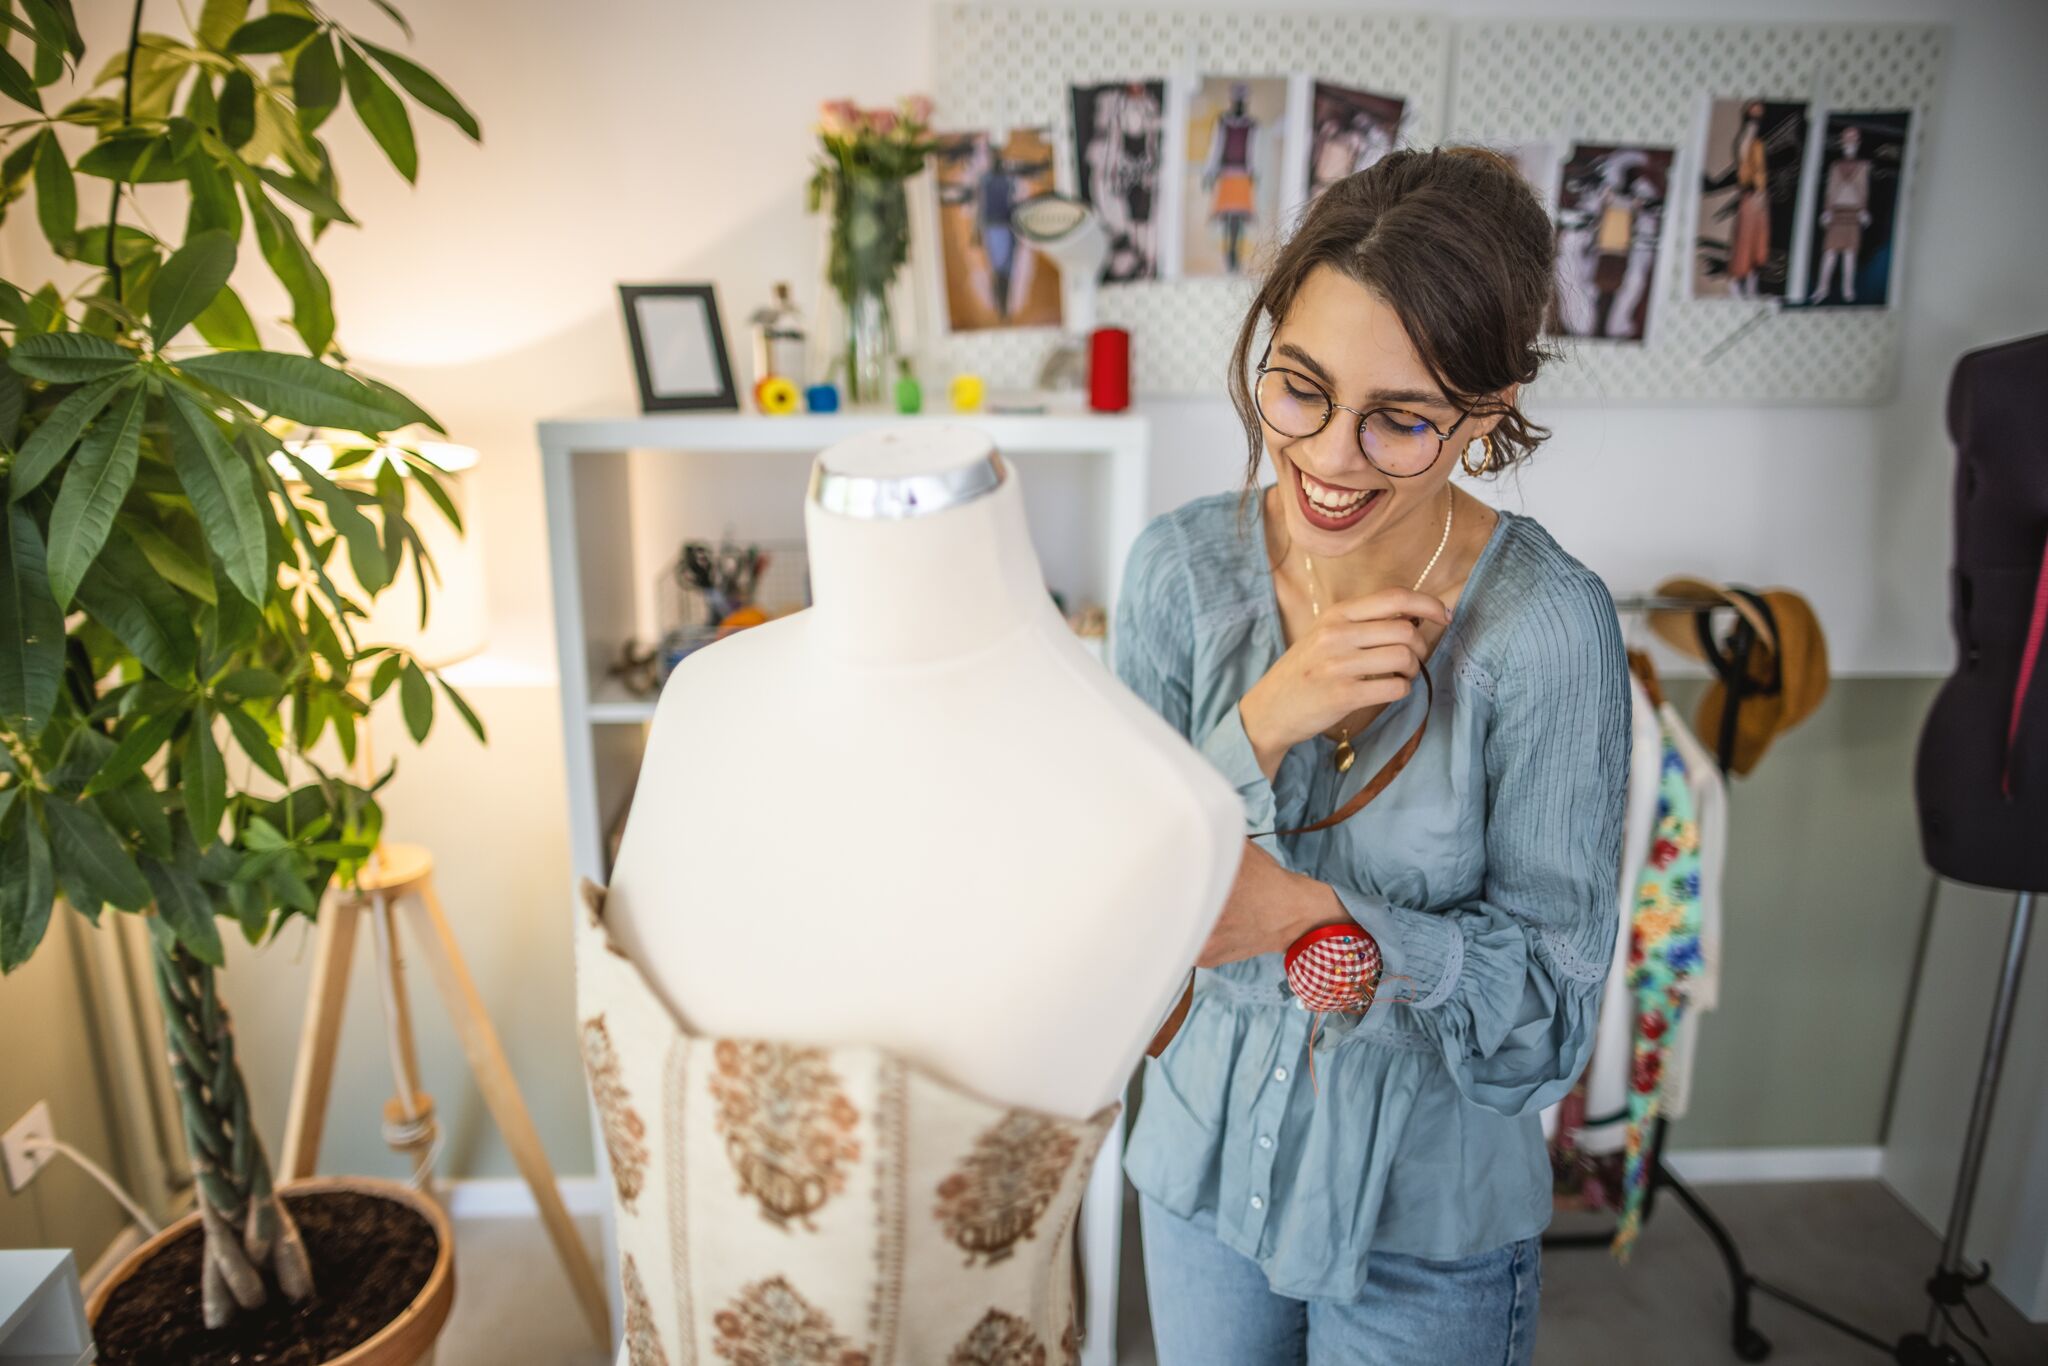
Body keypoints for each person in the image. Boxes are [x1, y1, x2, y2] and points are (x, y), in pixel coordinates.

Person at [1113, 146, 1630, 1366]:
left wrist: (1315, 914)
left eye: (1400, 421)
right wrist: (1261, 721)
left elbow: (1551, 1018)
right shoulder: (1180, 574)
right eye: (1298, 390)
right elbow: (1108, 891)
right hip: (1198, 1179)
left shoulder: (1545, 630)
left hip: (1425, 1222)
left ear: (1484, 417)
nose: (1332, 458)